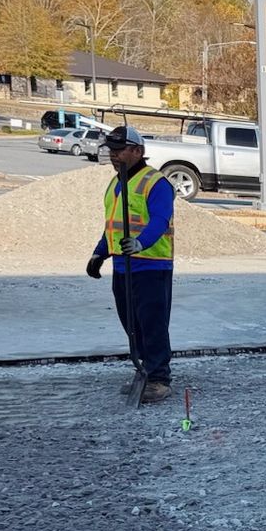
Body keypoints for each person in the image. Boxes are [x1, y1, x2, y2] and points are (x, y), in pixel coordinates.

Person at [86, 125, 175, 403]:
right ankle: (145, 368)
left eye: (119, 150)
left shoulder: (155, 183)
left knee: (152, 324)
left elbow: (159, 221)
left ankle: (159, 379)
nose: (113, 155)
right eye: (110, 150)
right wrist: (99, 253)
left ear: (138, 151)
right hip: (123, 267)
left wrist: (140, 243)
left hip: (151, 265)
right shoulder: (116, 183)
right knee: (131, 323)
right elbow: (113, 225)